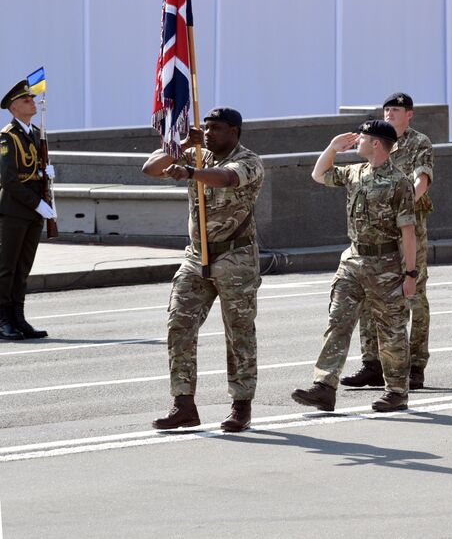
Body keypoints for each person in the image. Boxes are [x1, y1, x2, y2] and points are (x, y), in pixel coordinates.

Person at [142, 108, 263, 432]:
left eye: (217, 128)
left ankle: (241, 406)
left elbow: (227, 179)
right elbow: (150, 168)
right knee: (178, 324)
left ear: (234, 131)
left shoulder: (249, 160)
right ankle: (183, 405)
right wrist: (181, 145)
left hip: (234, 258)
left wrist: (192, 172)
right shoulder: (198, 154)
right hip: (197, 257)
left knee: (238, 332)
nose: (209, 133)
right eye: (206, 127)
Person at [292, 120, 417, 413]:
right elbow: (319, 174)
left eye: (362, 138)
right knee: (338, 321)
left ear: (376, 144)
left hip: (385, 263)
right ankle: (324, 387)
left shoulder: (399, 182)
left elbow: (408, 232)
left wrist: (410, 273)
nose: (356, 142)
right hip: (353, 261)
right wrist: (332, 148)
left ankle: (397, 391)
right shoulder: (354, 173)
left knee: (391, 331)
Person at [342, 94, 435, 390]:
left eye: (395, 110)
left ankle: (415, 364)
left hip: (409, 228)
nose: (390, 114)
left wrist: (402, 208)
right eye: (386, 110)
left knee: (413, 295)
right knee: (370, 295)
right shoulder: (373, 139)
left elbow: (421, 181)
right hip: (375, 233)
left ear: (409, 114)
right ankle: (372, 362)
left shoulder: (419, 143)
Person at [0, 80, 55, 341]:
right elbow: (9, 180)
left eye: (31, 99)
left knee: (23, 269)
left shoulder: (34, 133)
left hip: (33, 213)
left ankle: (18, 318)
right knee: (6, 268)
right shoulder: (6, 137)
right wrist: (37, 204)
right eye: (26, 100)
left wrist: (46, 173)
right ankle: (3, 320)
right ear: (13, 107)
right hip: (13, 212)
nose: (32, 102)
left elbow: (34, 169)